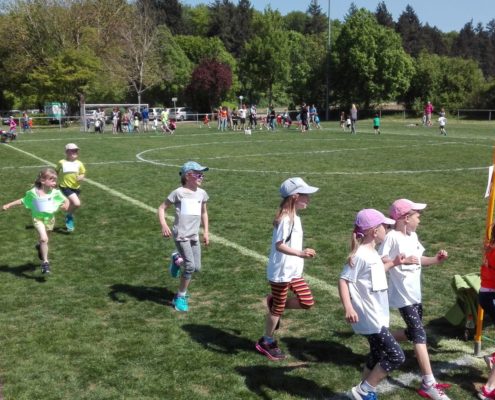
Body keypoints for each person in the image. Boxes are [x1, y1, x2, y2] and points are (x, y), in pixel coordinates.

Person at [379, 199, 451, 400]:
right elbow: (381, 259)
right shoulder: (392, 237)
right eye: (417, 215)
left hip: (415, 293)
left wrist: (436, 260)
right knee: (419, 334)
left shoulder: (413, 236)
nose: (419, 219)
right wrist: (398, 262)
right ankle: (428, 383)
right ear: (405, 218)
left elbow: (419, 259)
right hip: (403, 295)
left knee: (412, 333)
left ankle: (381, 338)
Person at [339, 208, 405, 400]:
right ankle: (364, 389)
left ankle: (365, 393)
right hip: (370, 316)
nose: (387, 229)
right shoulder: (359, 255)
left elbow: (375, 273)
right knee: (396, 356)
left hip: (378, 313)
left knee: (377, 354)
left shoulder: (372, 253)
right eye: (385, 226)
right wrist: (348, 307)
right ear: (374, 231)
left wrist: (393, 263)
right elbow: (343, 280)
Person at [255, 177, 318, 361]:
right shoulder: (285, 219)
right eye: (305, 195)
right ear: (295, 197)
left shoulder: (295, 217)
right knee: (278, 309)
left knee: (307, 301)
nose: (308, 199)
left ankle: (273, 303)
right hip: (281, 273)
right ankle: (266, 341)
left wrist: (302, 253)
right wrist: (300, 253)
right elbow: (279, 245)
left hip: (293, 271)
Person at [157, 161, 209, 312]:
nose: (202, 177)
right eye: (198, 174)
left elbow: (204, 213)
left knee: (197, 268)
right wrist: (164, 225)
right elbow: (161, 208)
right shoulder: (178, 193)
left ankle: (177, 258)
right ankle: (180, 297)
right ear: (188, 176)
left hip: (194, 235)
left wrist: (206, 232)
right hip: (181, 235)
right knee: (190, 267)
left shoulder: (202, 193)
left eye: (202, 174)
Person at [2, 168, 69, 274]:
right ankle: (45, 262)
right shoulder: (33, 193)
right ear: (43, 181)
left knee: (45, 240)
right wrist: (8, 205)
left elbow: (66, 200)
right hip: (38, 219)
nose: (54, 182)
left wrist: (66, 205)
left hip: (50, 220)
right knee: (44, 239)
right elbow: (22, 200)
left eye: (55, 180)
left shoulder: (55, 192)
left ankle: (39, 246)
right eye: (51, 180)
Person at [478, 223, 495, 399]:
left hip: (487, 294)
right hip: (491, 296)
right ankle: (489, 389)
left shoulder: (492, 247)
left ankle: (493, 358)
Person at [55, 143, 86, 232]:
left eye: (76, 151)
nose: (75, 152)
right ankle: (69, 217)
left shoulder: (79, 163)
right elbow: (56, 171)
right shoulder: (61, 162)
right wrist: (54, 181)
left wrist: (81, 176)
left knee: (71, 205)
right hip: (65, 186)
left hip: (76, 187)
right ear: (67, 152)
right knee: (77, 203)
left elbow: (82, 172)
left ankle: (68, 213)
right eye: (72, 151)